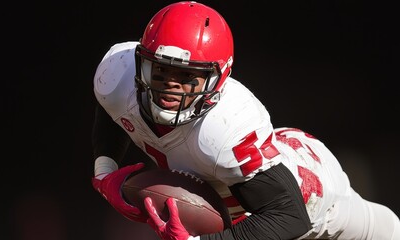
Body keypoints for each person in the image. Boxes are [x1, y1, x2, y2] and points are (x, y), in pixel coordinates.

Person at [91, 1, 400, 239]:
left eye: (187, 76)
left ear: (217, 79)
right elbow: (114, 111)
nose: (171, 84)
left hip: (311, 201)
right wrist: (105, 171)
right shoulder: (119, 80)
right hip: (241, 208)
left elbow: (290, 216)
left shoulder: (223, 130)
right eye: (161, 71)